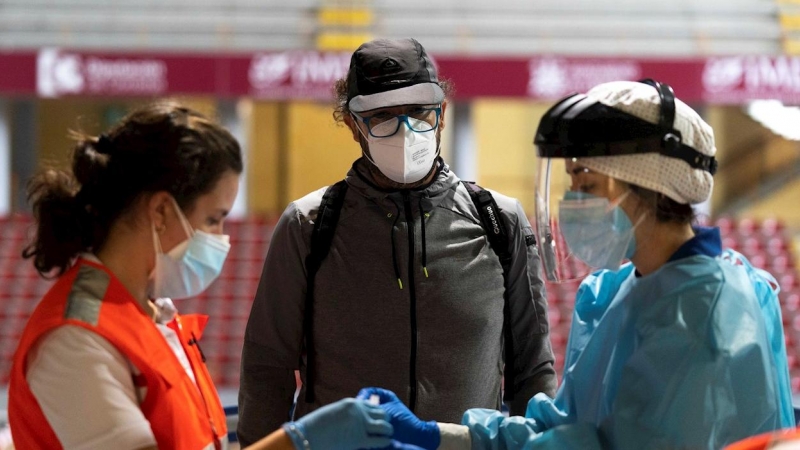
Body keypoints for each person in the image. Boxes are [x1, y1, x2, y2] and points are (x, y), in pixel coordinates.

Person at [358, 80, 794, 449]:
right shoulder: (632, 291)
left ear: (648, 188)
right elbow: (565, 427)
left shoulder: (705, 317)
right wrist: (438, 435)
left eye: (586, 183)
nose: (572, 203)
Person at [7, 101, 397, 450]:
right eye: (213, 219)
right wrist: (298, 440)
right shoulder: (77, 339)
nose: (222, 240)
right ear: (160, 211)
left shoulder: (154, 314)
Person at [238, 37, 557, 446]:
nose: (405, 131)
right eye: (383, 116)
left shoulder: (499, 221)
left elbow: (534, 366)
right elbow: (268, 366)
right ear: (354, 127)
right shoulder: (308, 225)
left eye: (418, 113)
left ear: (441, 115)